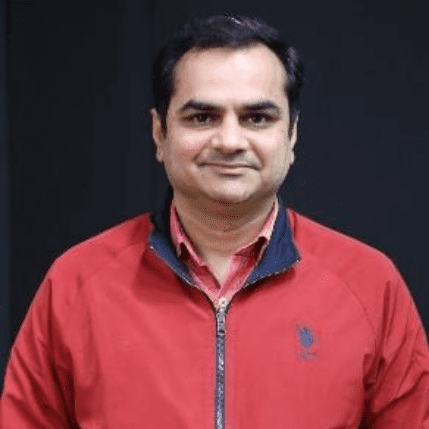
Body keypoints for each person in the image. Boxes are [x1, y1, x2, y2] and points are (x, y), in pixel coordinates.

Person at [1, 14, 428, 429]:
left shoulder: (370, 286)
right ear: (159, 133)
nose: (229, 141)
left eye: (257, 118)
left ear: (292, 133)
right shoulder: (76, 285)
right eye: (202, 117)